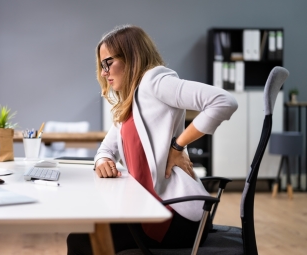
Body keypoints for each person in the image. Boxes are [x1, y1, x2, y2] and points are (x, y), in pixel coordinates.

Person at [67, 25, 238, 254]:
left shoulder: (154, 80)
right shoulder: (129, 104)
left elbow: (224, 101)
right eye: (101, 65)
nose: (104, 71)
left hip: (176, 215)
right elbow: (105, 149)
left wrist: (178, 146)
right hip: (149, 208)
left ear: (131, 56)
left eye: (108, 62)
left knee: (82, 241)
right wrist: (102, 162)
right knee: (83, 235)